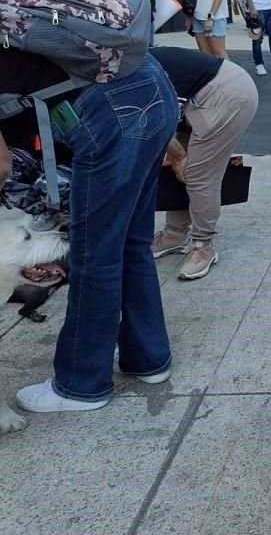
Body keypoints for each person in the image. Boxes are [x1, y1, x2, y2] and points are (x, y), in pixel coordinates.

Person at [6, 49, 179, 413]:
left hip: (110, 109)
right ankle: (147, 358)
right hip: (152, 86)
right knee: (131, 241)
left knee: (93, 252)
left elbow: (1, 165)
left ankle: (81, 385)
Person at [148, 47, 258, 280]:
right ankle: (174, 235)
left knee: (199, 173)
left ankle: (203, 245)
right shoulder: (118, 65)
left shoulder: (128, 75)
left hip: (225, 94)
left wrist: (179, 156)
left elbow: (156, 125)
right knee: (179, 166)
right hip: (199, 95)